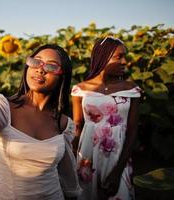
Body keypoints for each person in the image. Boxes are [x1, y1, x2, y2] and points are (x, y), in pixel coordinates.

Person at [0, 44, 81, 199]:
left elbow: (68, 173)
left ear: (62, 76)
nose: (40, 69)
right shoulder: (2, 107)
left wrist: (73, 195)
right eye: (36, 62)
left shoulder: (64, 123)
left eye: (51, 66)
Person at [71, 36, 141, 200]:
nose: (124, 62)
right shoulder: (80, 90)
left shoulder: (131, 90)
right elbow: (77, 125)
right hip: (87, 154)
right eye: (118, 57)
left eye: (125, 56)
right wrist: (73, 159)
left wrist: (118, 170)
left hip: (118, 155)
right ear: (102, 58)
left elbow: (132, 130)